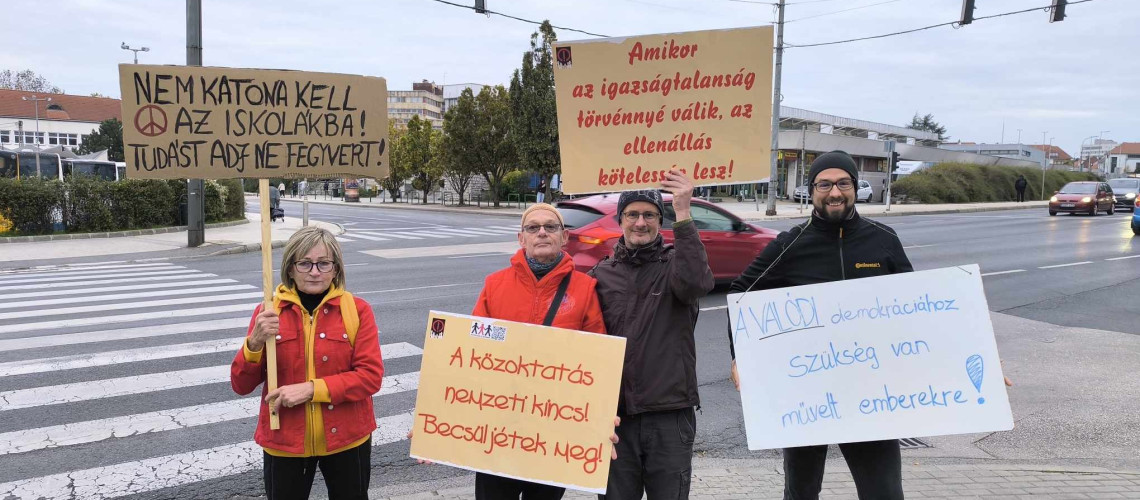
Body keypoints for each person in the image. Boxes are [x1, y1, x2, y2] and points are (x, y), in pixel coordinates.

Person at [727, 150, 912, 500]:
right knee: (801, 492)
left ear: (855, 187)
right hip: (806, 392)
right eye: (824, 184)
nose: (835, 192)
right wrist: (741, 355)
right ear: (811, 190)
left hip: (869, 392)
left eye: (843, 183)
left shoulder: (883, 240)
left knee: (884, 492)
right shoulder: (791, 244)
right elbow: (742, 294)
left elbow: (920, 310)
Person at [467, 203, 608, 499]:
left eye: (550, 227)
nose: (541, 232)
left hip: (553, 433)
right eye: (533, 227)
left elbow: (597, 360)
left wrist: (600, 416)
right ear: (521, 238)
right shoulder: (494, 285)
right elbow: (470, 355)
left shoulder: (584, 288)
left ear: (564, 237)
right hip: (500, 429)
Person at [231, 226, 384, 500]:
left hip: (348, 438)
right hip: (285, 440)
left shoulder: (357, 311)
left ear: (336, 269)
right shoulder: (268, 313)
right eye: (304, 263)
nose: (315, 272)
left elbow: (370, 376)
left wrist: (311, 390)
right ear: (290, 269)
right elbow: (240, 385)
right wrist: (254, 343)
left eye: (324, 263)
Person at [589, 170, 715, 500]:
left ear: (660, 220)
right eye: (632, 214)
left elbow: (697, 284)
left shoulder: (676, 265)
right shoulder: (602, 274)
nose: (640, 223)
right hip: (617, 420)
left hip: (669, 417)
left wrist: (684, 213)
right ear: (620, 220)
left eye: (649, 215)